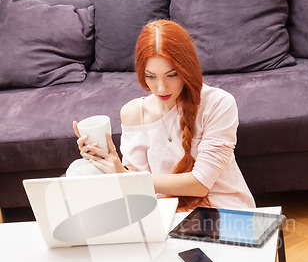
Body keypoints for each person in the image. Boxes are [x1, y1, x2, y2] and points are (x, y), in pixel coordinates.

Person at [74, 19, 255, 211]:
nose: (161, 88)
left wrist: (126, 177)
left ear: (187, 68)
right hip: (167, 214)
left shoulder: (219, 103)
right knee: (78, 170)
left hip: (225, 210)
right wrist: (107, 161)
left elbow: (200, 184)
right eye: (151, 76)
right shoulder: (133, 113)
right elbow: (139, 189)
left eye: (172, 75)